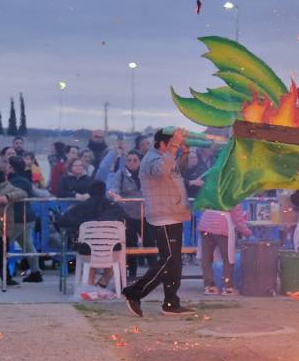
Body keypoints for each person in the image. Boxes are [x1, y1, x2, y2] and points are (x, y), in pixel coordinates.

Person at [122, 128, 195, 317]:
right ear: (162, 144)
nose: (175, 148)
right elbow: (161, 171)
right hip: (163, 216)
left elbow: (178, 169)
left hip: (174, 214)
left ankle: (171, 302)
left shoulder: (166, 158)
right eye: (172, 144)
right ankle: (134, 292)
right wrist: (174, 148)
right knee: (168, 260)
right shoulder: (152, 159)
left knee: (175, 262)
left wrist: (184, 152)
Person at [55, 178, 129, 289]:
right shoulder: (114, 208)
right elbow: (126, 221)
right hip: (112, 251)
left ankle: (89, 284)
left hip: (87, 251)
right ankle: (103, 281)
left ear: (89, 191)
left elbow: (62, 222)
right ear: (104, 191)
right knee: (117, 256)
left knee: (88, 251)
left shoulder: (80, 208)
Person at [106, 149, 144, 278]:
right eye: (129, 160)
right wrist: (114, 194)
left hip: (146, 214)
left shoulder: (147, 174)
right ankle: (131, 274)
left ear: (140, 162)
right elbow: (113, 188)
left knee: (151, 244)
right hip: (128, 215)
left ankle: (154, 275)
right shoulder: (120, 174)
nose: (132, 163)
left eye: (135, 160)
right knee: (130, 244)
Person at [197, 204, 252, 294]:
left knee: (206, 259)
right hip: (222, 226)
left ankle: (209, 286)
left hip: (205, 224)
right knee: (228, 258)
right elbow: (238, 220)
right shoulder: (232, 196)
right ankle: (228, 287)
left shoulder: (211, 191)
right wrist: (248, 233)